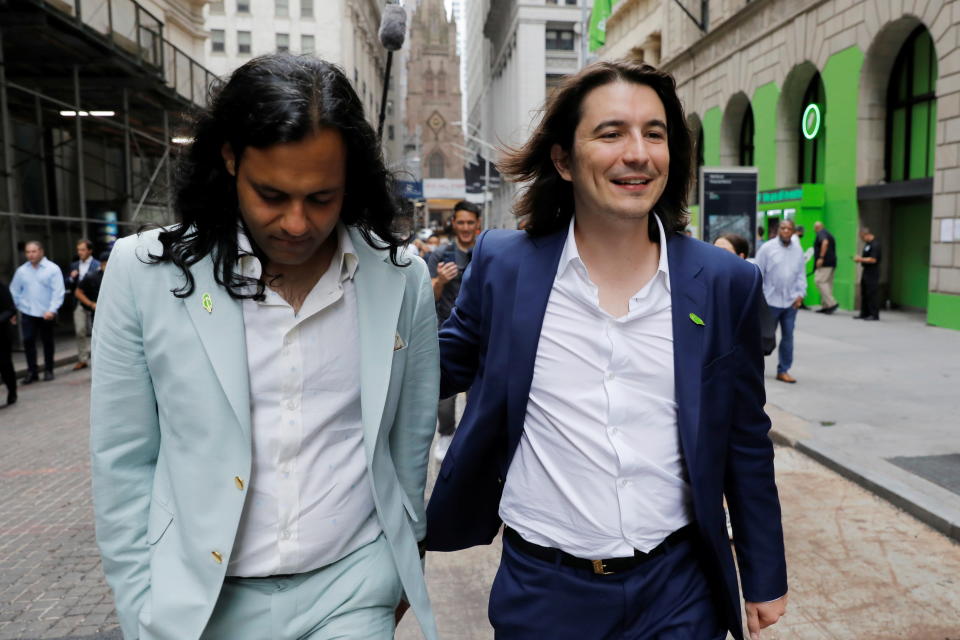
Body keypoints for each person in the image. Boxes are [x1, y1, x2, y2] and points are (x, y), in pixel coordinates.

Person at [426, 60, 787, 640]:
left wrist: (764, 573)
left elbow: (745, 436)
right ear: (564, 160)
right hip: (544, 590)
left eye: (655, 133)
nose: (638, 153)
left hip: (679, 588)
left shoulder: (724, 282)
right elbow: (433, 370)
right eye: (611, 132)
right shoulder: (504, 266)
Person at [90, 54, 440, 640]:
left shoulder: (401, 280)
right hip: (202, 605)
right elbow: (122, 460)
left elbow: (410, 441)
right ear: (230, 158)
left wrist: (398, 569)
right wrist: (142, 604)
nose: (297, 224)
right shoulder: (143, 272)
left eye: (322, 198)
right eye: (272, 195)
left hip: (351, 591)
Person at [426, 199, 480, 461]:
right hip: (446, 330)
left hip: (480, 334)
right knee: (444, 393)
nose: (466, 227)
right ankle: (446, 434)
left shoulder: (486, 253)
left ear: (477, 224)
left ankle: (471, 438)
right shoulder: (441, 255)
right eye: (461, 222)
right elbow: (427, 299)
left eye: (470, 222)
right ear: (454, 223)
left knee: (478, 393)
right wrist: (440, 281)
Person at [755, 219, 806, 384]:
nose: (785, 231)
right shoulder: (767, 248)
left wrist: (800, 295)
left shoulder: (797, 250)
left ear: (792, 231)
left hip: (790, 302)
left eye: (789, 228)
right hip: (769, 301)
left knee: (788, 337)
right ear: (778, 230)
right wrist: (758, 297)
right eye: (782, 228)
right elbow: (758, 272)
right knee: (764, 337)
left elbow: (800, 274)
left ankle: (783, 370)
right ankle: (755, 369)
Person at [10, 241, 65, 383]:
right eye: (28, 252)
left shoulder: (52, 269)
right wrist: (14, 311)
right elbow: (14, 291)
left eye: (33, 251)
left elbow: (58, 292)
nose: (30, 255)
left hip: (46, 313)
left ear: (41, 251)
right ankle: (32, 372)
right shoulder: (21, 271)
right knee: (28, 341)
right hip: (28, 312)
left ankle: (48, 370)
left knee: (47, 342)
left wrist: (52, 310)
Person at [715, 233, 777, 358]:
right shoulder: (705, 281)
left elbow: (767, 338)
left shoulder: (748, 285)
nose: (715, 255)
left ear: (740, 256)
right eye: (713, 249)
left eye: (723, 251)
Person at [67, 239, 100, 370]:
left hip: (94, 301)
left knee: (95, 330)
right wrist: (71, 278)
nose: (80, 252)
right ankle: (82, 359)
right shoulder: (74, 265)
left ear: (90, 250)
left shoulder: (98, 264)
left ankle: (98, 357)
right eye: (78, 250)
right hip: (79, 301)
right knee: (80, 330)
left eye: (83, 249)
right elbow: (68, 283)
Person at [74, 250, 109, 323]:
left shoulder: (117, 275)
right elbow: (78, 292)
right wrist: (91, 304)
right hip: (98, 315)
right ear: (102, 264)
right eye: (105, 264)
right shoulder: (92, 276)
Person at [854, 227, 881, 320]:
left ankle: (874, 314)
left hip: (873, 272)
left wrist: (860, 259)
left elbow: (873, 259)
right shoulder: (867, 244)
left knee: (871, 293)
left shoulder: (875, 245)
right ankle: (864, 313)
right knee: (864, 292)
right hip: (866, 271)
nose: (861, 239)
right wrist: (861, 259)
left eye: (861, 237)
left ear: (866, 234)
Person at [813, 221, 838, 314]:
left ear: (817, 227)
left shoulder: (821, 233)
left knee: (819, 281)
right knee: (827, 283)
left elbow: (825, 242)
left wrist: (821, 257)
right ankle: (826, 306)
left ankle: (832, 303)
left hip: (825, 263)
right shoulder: (828, 233)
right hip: (831, 263)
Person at [0, 280, 16, 406]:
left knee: (5, 365)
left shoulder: (1, 286)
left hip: (2, 335)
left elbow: (10, 309)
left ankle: (12, 391)